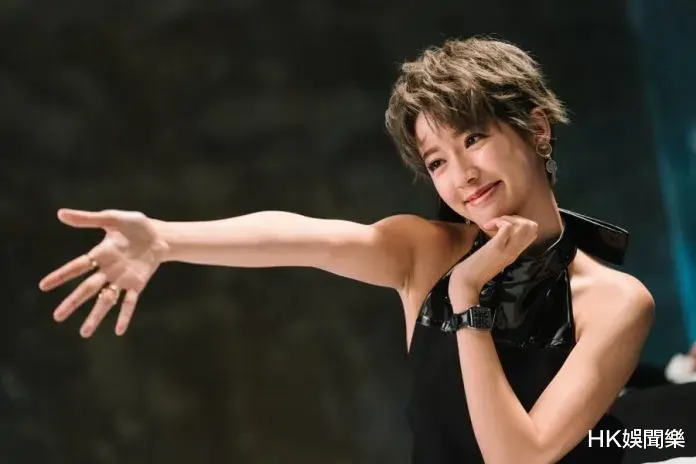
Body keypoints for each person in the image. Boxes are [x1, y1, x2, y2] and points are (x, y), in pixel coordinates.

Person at [39, 37, 654, 463]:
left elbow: (519, 458)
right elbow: (308, 238)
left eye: (473, 138)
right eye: (437, 161)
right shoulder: (427, 250)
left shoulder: (614, 301)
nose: (462, 175)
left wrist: (468, 299)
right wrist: (168, 239)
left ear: (537, 129)